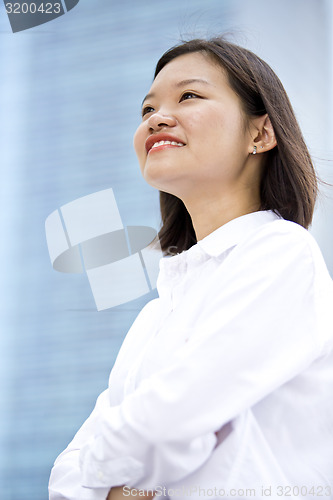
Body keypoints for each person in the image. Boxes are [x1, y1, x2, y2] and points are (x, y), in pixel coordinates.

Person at [48, 37, 333, 500]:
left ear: (259, 134)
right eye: (147, 109)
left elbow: (168, 425)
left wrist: (120, 482)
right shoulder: (155, 317)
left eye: (190, 96)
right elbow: (68, 473)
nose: (157, 117)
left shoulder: (282, 253)